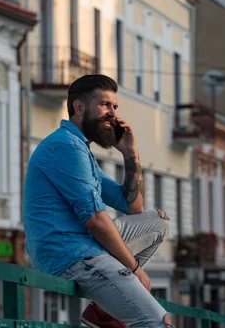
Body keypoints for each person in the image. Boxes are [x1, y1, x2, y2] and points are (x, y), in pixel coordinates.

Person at [23, 74, 172, 328]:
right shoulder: (65, 147)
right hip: (71, 255)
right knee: (159, 322)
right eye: (104, 105)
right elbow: (95, 220)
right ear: (79, 107)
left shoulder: (80, 149)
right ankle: (109, 306)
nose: (112, 113)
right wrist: (134, 269)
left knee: (158, 222)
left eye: (115, 107)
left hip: (85, 246)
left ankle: (103, 313)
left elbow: (133, 207)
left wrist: (130, 154)